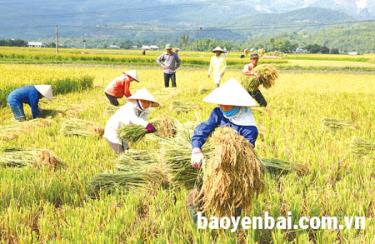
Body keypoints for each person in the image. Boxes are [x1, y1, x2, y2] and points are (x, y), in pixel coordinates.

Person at [187, 78, 259, 222]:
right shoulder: (218, 113)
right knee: (195, 198)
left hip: (233, 172)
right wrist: (196, 149)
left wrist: (223, 157)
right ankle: (200, 229)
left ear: (236, 103)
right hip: (209, 164)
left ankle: (231, 231)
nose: (220, 104)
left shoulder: (248, 128)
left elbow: (245, 155)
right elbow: (203, 129)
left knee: (232, 203)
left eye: (224, 101)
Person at [103, 88, 159, 154]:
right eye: (146, 102)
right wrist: (147, 125)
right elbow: (133, 119)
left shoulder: (145, 110)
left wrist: (145, 130)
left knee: (127, 152)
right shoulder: (130, 107)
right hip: (113, 130)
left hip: (124, 133)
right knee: (121, 154)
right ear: (140, 100)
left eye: (149, 102)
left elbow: (141, 122)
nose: (148, 104)